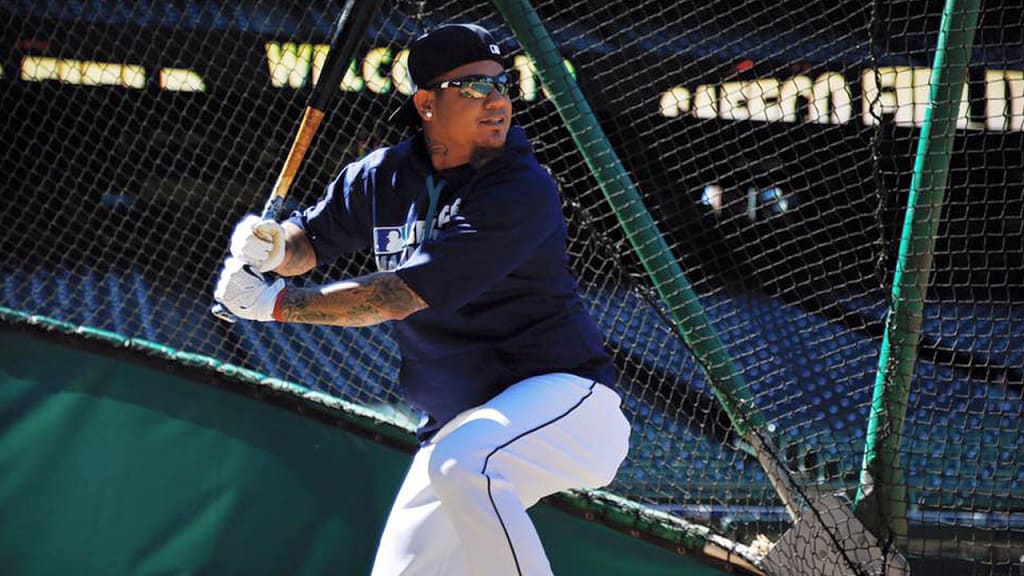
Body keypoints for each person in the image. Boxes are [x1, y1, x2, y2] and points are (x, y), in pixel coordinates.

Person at [213, 23, 630, 576]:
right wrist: (268, 248)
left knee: (468, 466)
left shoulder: (518, 186)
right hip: (458, 423)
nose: (499, 101)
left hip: (567, 404)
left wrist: (274, 305)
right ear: (427, 103)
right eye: (476, 88)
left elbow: (396, 296)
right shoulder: (383, 175)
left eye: (503, 85)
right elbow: (308, 241)